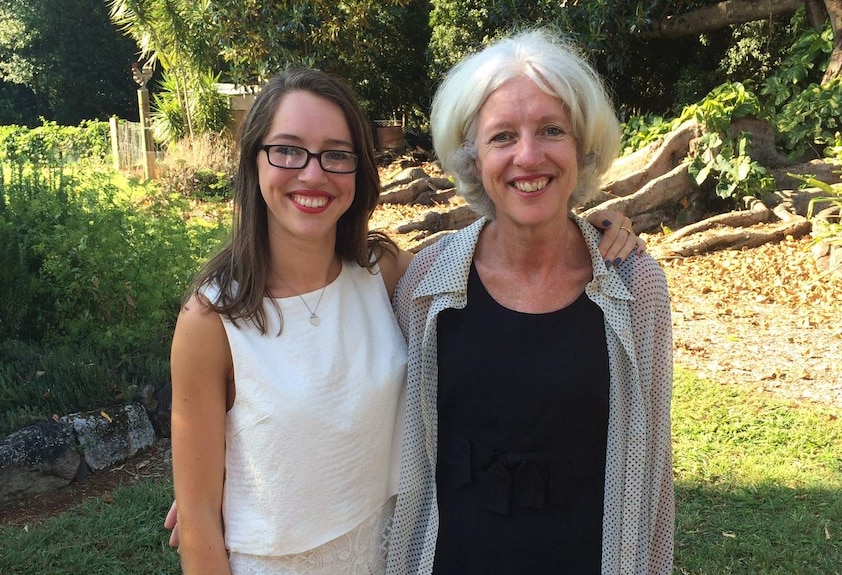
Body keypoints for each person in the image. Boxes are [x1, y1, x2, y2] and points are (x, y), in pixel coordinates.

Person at [167, 65, 642, 574]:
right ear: (253, 161)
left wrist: (587, 224)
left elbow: (496, 250)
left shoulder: (384, 274)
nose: (312, 173)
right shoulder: (213, 321)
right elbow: (197, 523)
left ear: (358, 169)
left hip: (392, 552)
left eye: (336, 154)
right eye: (287, 149)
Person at [384, 29, 674, 575]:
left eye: (550, 130)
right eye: (501, 137)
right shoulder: (428, 281)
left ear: (582, 147)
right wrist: (222, 472)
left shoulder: (634, 287)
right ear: (472, 159)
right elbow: (362, 405)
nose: (528, 156)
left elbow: (652, 469)